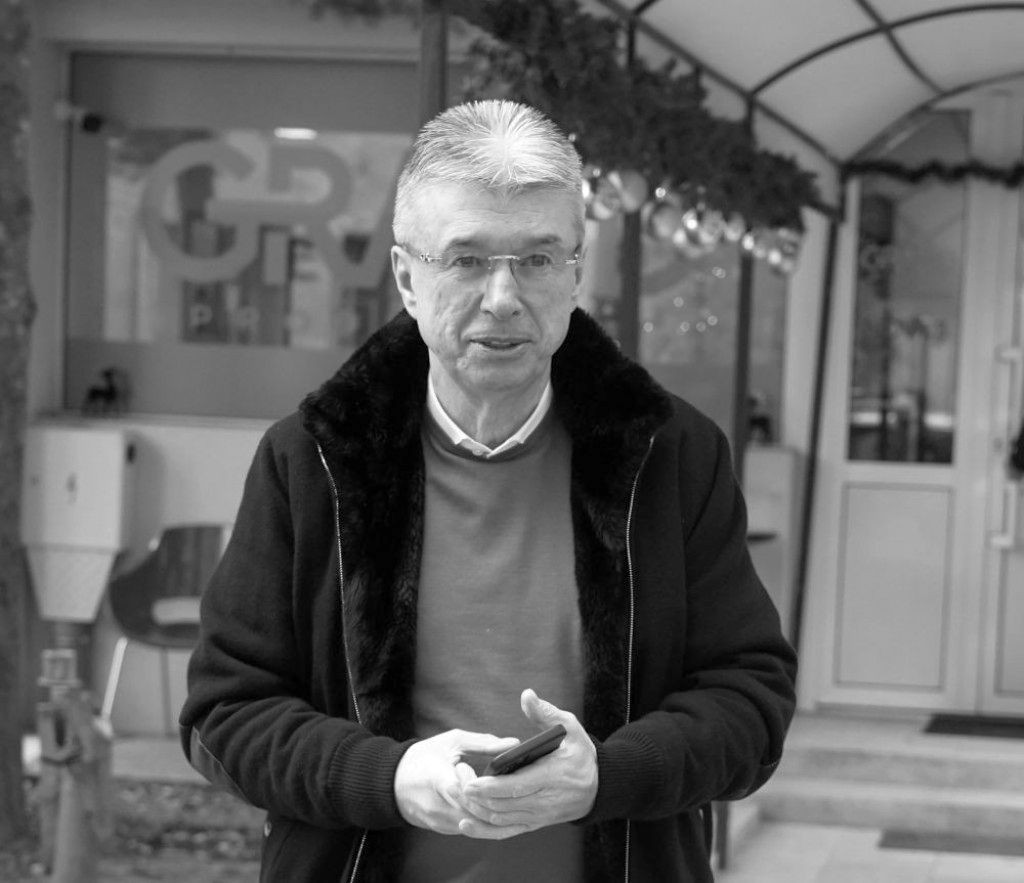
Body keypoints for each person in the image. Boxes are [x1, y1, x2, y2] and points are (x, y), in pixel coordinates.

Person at [179, 99, 797, 883]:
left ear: (576, 275)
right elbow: (224, 714)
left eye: (537, 259)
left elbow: (751, 702)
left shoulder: (670, 456)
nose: (503, 296)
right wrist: (390, 779)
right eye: (467, 259)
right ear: (407, 276)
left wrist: (605, 776)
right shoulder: (314, 460)